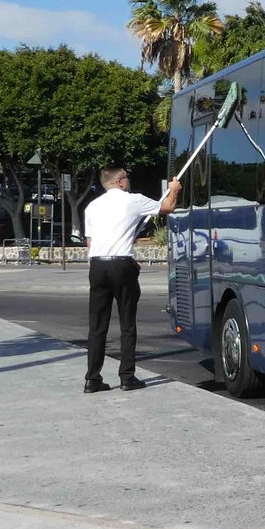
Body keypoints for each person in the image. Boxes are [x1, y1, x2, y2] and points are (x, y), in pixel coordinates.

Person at [82, 167, 182, 393]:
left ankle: (92, 378)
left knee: (97, 325)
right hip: (121, 265)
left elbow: (90, 241)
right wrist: (173, 190)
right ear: (119, 182)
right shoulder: (133, 200)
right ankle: (127, 376)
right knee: (127, 322)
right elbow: (168, 207)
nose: (129, 180)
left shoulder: (92, 206)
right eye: (127, 177)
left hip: (98, 264)